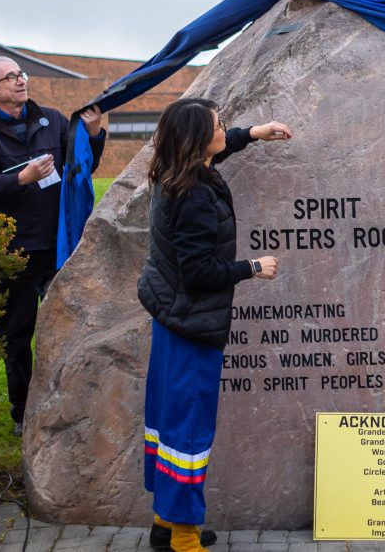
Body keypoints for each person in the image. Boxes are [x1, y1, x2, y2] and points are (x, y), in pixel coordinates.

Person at [137, 98, 291, 551]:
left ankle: (165, 522)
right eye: (220, 125)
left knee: (169, 421)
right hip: (193, 327)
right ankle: (184, 537)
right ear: (197, 141)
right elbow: (199, 271)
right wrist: (252, 267)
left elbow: (218, 151)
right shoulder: (195, 195)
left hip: (173, 319)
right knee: (188, 429)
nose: (225, 129)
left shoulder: (176, 172)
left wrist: (254, 133)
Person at [0, 55, 105, 437]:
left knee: (69, 329)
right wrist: (20, 178)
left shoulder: (53, 119)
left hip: (58, 247)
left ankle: (70, 404)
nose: (21, 80)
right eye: (11, 77)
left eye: (21, 74)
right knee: (16, 336)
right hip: (14, 253)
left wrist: (95, 135)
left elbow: (80, 167)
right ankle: (23, 412)